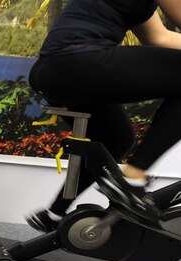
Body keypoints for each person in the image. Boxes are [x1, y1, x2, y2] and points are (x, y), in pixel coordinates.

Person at [25, 0, 181, 232]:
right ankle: (133, 179)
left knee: (117, 138)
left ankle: (54, 214)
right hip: (76, 61)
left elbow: (158, 37)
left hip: (53, 70)